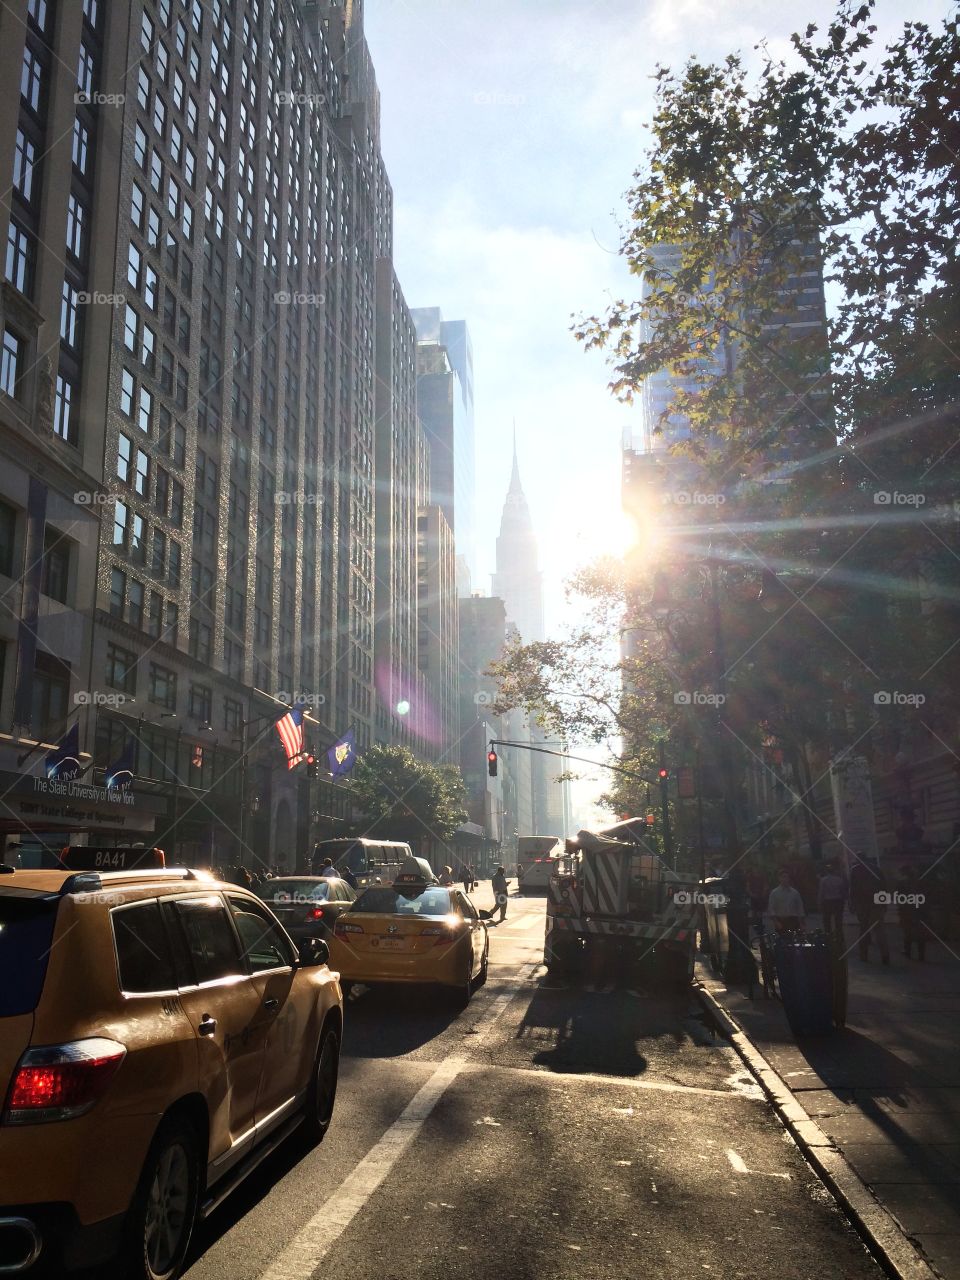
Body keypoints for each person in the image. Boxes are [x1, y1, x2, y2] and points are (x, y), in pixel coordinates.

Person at [849, 857, 891, 963]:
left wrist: (852, 904)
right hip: (876, 904)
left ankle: (864, 956)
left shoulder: (854, 870)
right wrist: (884, 904)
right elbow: (884, 886)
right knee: (879, 930)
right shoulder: (876, 869)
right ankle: (885, 955)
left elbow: (852, 889)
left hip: (862, 904)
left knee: (863, 929)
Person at [897, 865, 931, 961]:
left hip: (907, 911)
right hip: (920, 911)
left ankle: (908, 952)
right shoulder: (922, 882)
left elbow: (900, 898)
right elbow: (927, 896)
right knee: (920, 933)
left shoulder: (902, 883)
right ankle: (921, 955)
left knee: (907, 932)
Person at [767, 868, 805, 934]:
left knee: (794, 941)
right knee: (782, 941)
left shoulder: (795, 893)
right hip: (781, 920)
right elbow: (771, 908)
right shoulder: (774, 893)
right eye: (783, 877)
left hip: (793, 920)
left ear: (789, 878)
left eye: (786, 877)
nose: (785, 879)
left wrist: (801, 923)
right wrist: (776, 922)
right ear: (779, 878)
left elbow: (800, 907)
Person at [817, 860, 848, 940]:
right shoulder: (840, 880)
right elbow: (843, 892)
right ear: (834, 871)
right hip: (838, 902)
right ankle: (840, 938)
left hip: (827, 902)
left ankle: (828, 937)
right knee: (838, 922)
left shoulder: (823, 880)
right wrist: (844, 901)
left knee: (827, 922)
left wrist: (819, 903)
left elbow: (821, 893)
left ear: (827, 871)